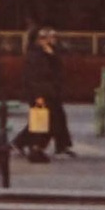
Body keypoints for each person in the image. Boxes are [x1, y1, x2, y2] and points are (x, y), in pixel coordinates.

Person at [27, 24, 74, 157]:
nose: (48, 40)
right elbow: (34, 76)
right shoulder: (35, 54)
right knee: (45, 120)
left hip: (51, 91)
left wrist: (52, 55)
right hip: (42, 92)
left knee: (55, 118)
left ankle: (59, 145)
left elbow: (57, 70)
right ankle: (36, 147)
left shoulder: (49, 52)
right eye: (43, 37)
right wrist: (38, 95)